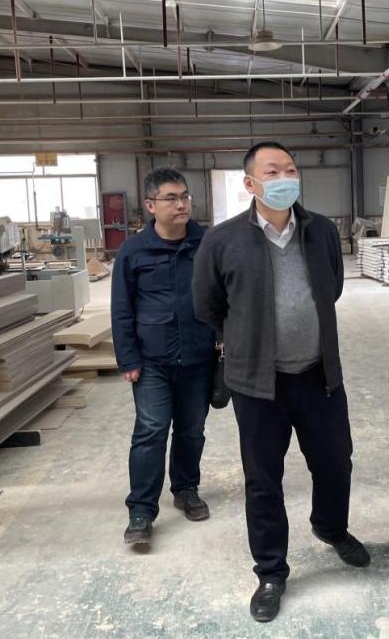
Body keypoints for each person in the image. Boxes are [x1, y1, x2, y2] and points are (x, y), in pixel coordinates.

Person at [193, 142, 369, 623]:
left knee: (335, 462)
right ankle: (271, 571)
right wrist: (246, 337)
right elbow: (207, 305)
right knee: (263, 479)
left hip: (318, 375)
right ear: (250, 183)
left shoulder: (321, 231)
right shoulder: (223, 240)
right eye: (272, 171)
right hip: (258, 384)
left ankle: (330, 527)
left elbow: (332, 287)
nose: (285, 177)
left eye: (290, 168)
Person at [111, 168, 216, 551]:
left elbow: (225, 295)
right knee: (151, 431)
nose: (182, 204)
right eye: (171, 198)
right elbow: (121, 308)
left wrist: (224, 343)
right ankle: (141, 510)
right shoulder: (133, 251)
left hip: (199, 356)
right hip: (151, 360)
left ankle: (186, 489)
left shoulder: (207, 243)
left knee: (192, 430)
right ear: (151, 205)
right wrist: (128, 359)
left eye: (185, 196)